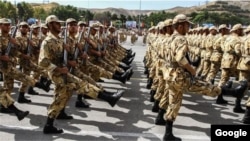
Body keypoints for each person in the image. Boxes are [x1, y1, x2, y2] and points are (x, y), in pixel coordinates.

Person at [162, 14, 248, 141]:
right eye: (187, 25)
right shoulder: (180, 39)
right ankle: (233, 92)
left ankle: (167, 134)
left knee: (174, 104)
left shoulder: (169, 38)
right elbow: (180, 58)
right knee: (208, 88)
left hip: (170, 75)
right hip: (179, 76)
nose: (188, 27)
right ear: (180, 26)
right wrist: (192, 70)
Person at [39, 15, 124, 134]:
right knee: (81, 84)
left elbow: (60, 57)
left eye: (59, 23)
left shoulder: (59, 40)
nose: (59, 25)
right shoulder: (47, 41)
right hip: (57, 73)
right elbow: (42, 62)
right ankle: (108, 98)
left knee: (61, 96)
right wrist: (59, 68)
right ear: (50, 25)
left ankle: (51, 122)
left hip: (65, 70)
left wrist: (71, 53)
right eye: (57, 23)